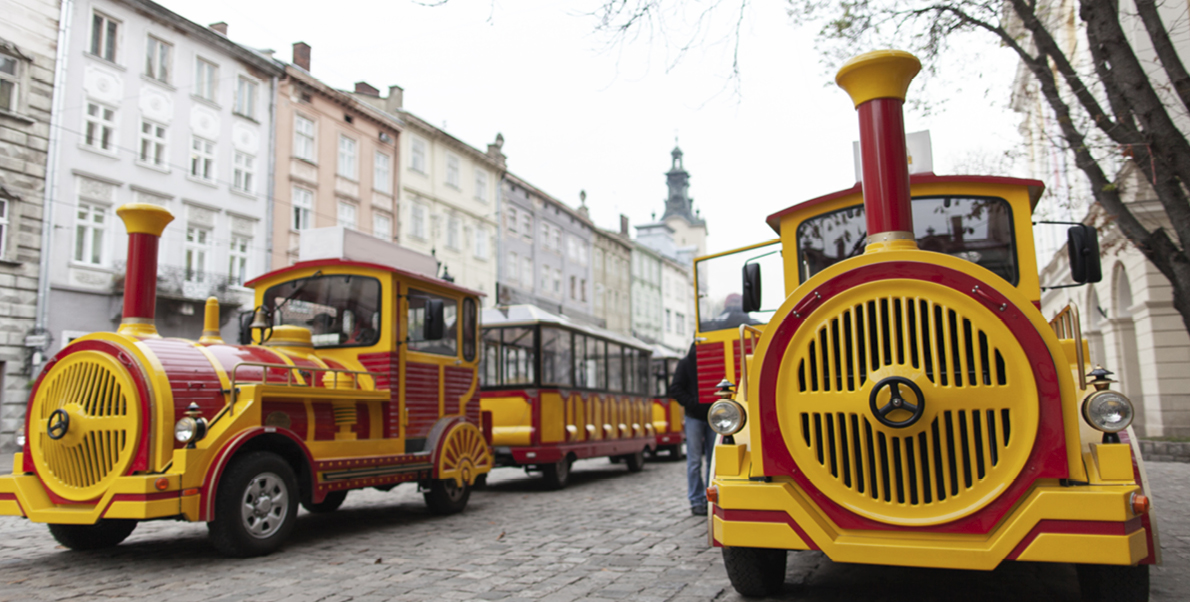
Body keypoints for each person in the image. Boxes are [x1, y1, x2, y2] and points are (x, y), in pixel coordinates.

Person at [668, 343, 713, 516]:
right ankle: (696, 501)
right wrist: (693, 403)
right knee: (695, 461)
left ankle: (710, 498)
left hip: (714, 416)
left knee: (712, 461)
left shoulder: (712, 360)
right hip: (694, 416)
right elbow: (676, 389)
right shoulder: (686, 363)